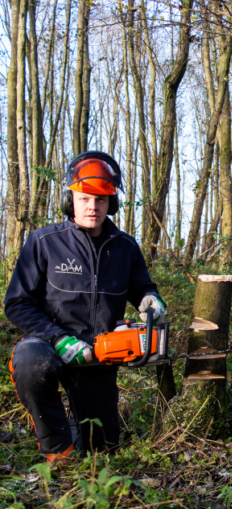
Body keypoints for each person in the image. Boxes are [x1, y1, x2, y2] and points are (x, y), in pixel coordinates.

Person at [4, 151, 167, 464]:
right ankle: (57, 450)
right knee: (29, 364)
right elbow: (17, 303)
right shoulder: (44, 242)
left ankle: (82, 440)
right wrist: (58, 339)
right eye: (85, 199)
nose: (93, 207)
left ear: (112, 203)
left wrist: (151, 301)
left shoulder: (125, 247)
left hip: (98, 354)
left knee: (102, 451)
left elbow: (143, 288)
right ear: (70, 200)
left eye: (101, 200)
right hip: (48, 343)